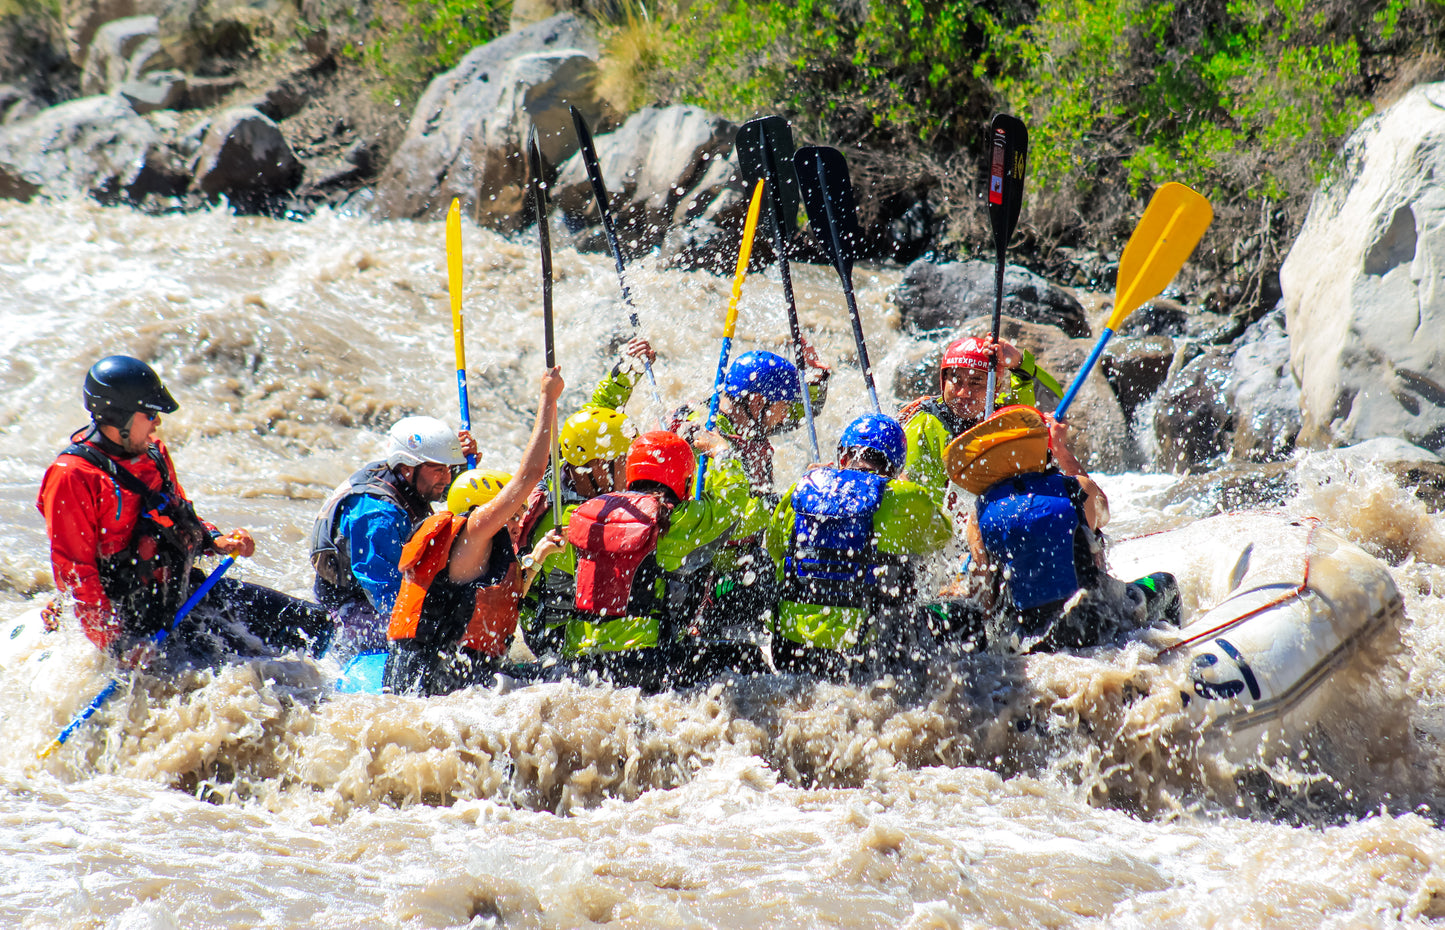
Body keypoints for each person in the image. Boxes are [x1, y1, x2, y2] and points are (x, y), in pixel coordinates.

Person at [38, 356, 334, 667]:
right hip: (129, 617)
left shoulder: (154, 453)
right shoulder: (72, 476)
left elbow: (177, 514)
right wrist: (115, 646)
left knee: (313, 624)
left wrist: (216, 540)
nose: (157, 422)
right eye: (150, 413)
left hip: (180, 593)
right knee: (254, 673)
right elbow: (75, 572)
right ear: (119, 416)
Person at [384, 368, 564, 695]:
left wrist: (537, 558)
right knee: (561, 678)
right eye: (512, 515)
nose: (516, 523)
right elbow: (530, 475)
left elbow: (494, 598)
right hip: (431, 681)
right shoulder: (473, 531)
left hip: (432, 674)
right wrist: (547, 399)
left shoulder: (473, 547)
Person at [948, 405, 1179, 653]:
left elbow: (985, 601)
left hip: (1028, 639)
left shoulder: (978, 515)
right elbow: (1103, 513)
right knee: (1166, 582)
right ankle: (1172, 653)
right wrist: (1060, 449)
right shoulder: (1075, 489)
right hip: (1096, 621)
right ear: (1040, 447)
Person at [558, 430, 765, 691]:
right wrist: (721, 453)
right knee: (745, 657)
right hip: (644, 661)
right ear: (684, 480)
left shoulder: (589, 514)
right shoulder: (677, 520)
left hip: (580, 663)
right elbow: (733, 501)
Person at [765, 414, 951, 679]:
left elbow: (774, 548)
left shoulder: (800, 489)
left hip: (792, 648)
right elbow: (943, 537)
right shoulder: (906, 497)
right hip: (869, 650)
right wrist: (907, 486)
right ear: (896, 467)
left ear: (842, 457)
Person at [310, 414, 478, 657]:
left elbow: (438, 490)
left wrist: (463, 470)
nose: (447, 478)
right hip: (351, 609)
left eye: (449, 469)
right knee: (441, 630)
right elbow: (387, 598)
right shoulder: (377, 516)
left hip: (375, 590)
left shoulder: (403, 475)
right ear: (408, 467)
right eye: (439, 470)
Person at [899, 334, 1061, 508]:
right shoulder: (924, 423)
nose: (964, 393)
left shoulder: (1005, 417)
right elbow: (921, 502)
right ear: (943, 381)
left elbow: (1056, 406)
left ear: (996, 388)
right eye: (956, 381)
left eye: (976, 383)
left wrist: (1020, 365)